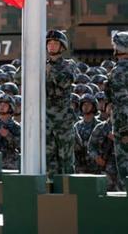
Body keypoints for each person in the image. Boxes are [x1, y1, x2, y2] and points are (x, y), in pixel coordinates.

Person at [45, 30, 77, 176]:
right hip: (46, 122)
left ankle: (69, 195)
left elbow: (65, 81)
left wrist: (49, 69)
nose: (51, 46)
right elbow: (18, 77)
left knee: (66, 161)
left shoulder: (68, 65)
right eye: (49, 43)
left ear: (62, 46)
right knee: (48, 161)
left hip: (63, 122)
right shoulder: (41, 64)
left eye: (55, 43)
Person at [106, 31, 128, 192]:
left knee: (125, 173)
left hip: (124, 129)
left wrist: (124, 130)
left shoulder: (119, 71)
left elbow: (122, 104)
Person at [74, 94, 101, 173]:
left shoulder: (100, 125)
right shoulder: (76, 126)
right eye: (84, 104)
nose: (85, 106)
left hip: (96, 166)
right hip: (80, 166)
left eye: (88, 104)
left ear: (94, 106)